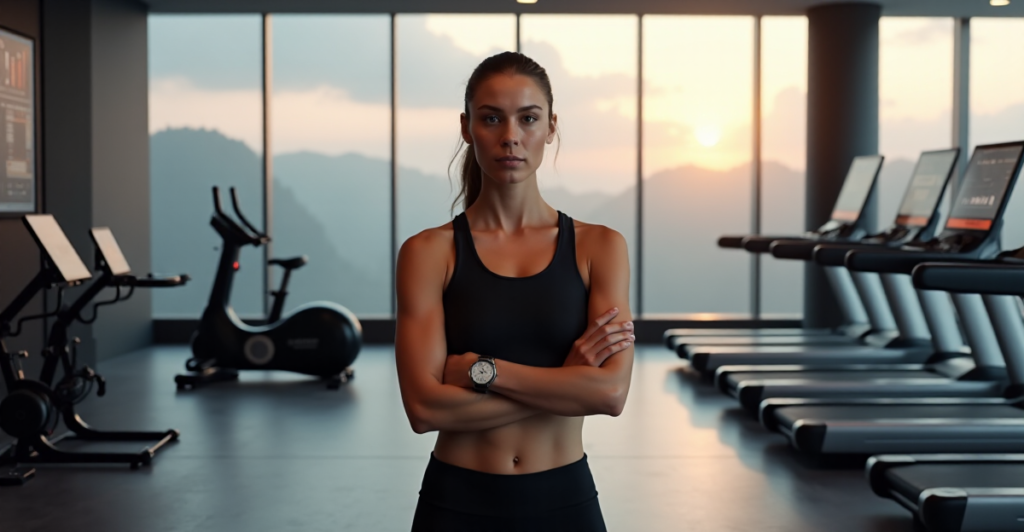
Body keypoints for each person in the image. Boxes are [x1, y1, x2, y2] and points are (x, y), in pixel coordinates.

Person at [395, 51, 634, 532]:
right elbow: (423, 409)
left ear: (550, 127)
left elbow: (609, 392)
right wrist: (565, 381)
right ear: (467, 127)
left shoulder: (600, 247)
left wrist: (484, 372)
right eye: (491, 118)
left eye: (528, 118)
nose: (510, 136)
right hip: (456, 502)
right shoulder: (427, 252)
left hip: (564, 501)